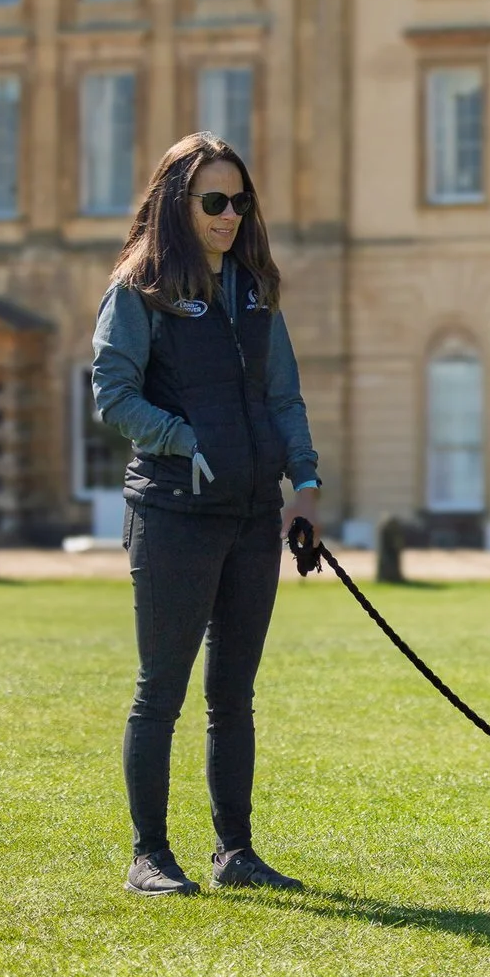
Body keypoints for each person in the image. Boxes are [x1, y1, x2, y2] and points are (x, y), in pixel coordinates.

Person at [93, 133, 324, 897]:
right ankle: (149, 855)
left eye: (240, 201)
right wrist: (182, 439)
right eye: (214, 201)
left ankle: (236, 853)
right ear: (177, 202)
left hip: (252, 516)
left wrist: (306, 483)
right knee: (161, 690)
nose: (229, 216)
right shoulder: (140, 287)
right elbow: (113, 392)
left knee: (234, 695)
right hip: (173, 514)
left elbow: (283, 395)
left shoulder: (255, 290)